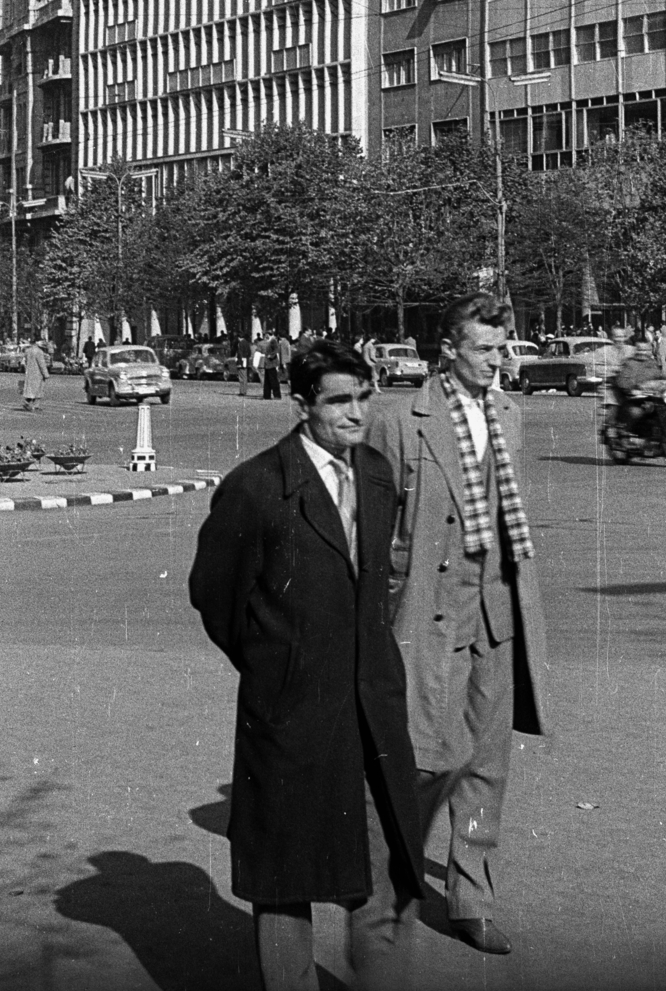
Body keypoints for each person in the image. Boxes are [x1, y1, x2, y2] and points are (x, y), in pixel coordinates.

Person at [189, 343, 425, 991]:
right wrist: (280, 663)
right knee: (284, 877)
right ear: (301, 405)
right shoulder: (257, 486)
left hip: (371, 707)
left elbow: (379, 582)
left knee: (384, 859)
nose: (356, 413)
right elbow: (217, 596)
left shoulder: (377, 474)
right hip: (291, 713)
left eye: (364, 397)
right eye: (338, 401)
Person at [365, 293, 548, 957]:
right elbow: (374, 529)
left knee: (486, 764)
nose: (495, 362)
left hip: (493, 609)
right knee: (421, 758)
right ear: (448, 349)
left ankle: (471, 899)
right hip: (426, 610)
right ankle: (392, 886)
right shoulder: (400, 421)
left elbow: (506, 516)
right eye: (482, 349)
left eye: (502, 348)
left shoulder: (509, 414)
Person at [22, 338, 51, 412]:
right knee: (38, 390)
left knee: (30, 390)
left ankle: (27, 403)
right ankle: (35, 406)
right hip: (38, 374)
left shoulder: (28, 351)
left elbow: (24, 362)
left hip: (29, 373)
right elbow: (42, 364)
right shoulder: (39, 352)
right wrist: (46, 374)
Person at [261, 335, 281, 400]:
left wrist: (271, 356)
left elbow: (276, 349)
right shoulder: (269, 341)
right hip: (267, 364)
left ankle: (277, 395)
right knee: (267, 381)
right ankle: (266, 395)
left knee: (274, 380)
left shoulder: (273, 341)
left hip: (271, 363)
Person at [235, 332, 251, 398]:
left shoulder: (240, 343)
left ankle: (242, 391)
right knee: (245, 376)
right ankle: (244, 390)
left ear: (239, 337)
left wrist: (239, 361)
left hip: (241, 361)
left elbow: (240, 353)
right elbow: (249, 353)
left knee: (241, 377)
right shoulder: (247, 343)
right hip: (246, 360)